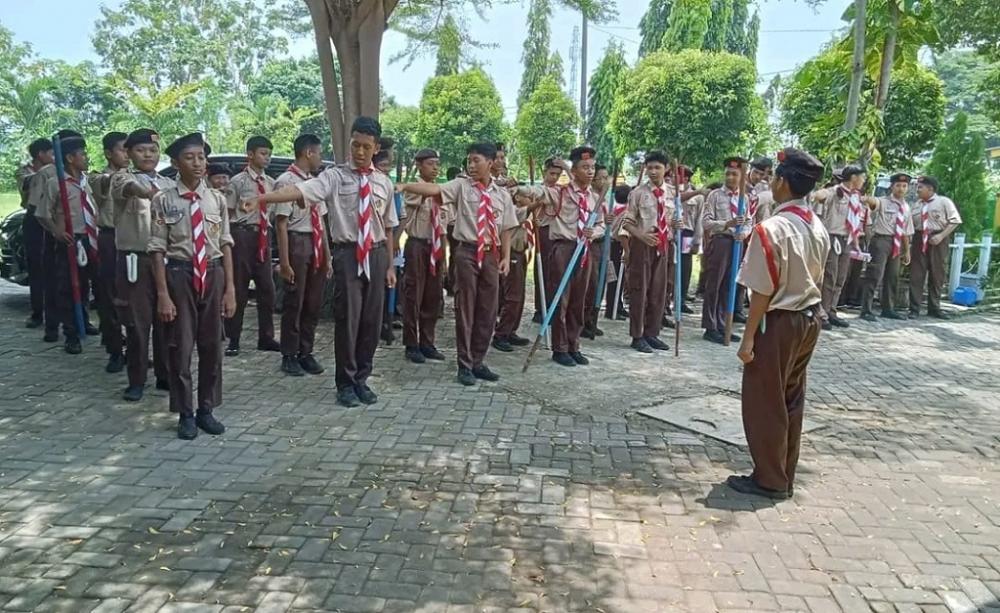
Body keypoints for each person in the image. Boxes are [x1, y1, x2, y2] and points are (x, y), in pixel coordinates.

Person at [253, 117, 398, 407]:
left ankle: (362, 379)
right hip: (348, 254)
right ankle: (345, 383)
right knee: (349, 320)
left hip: (377, 253)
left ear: (375, 148)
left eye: (365, 147)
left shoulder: (383, 182)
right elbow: (300, 191)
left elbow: (389, 225)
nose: (359, 151)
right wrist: (263, 198)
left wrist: (391, 264)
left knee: (371, 322)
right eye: (355, 145)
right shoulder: (334, 177)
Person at [728, 147, 830, 500]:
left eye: (775, 177)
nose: (771, 182)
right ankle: (784, 472)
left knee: (764, 401)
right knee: (791, 398)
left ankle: (769, 479)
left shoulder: (771, 229)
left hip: (779, 322)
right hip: (809, 318)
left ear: (783, 182)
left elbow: (762, 290)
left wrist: (748, 338)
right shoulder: (816, 226)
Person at [399, 142, 518, 385]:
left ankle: (478, 361)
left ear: (490, 163)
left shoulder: (502, 195)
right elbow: (434, 190)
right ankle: (464, 364)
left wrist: (505, 257)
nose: (471, 165)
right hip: (467, 252)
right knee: (466, 308)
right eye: (469, 161)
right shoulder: (461, 186)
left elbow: (506, 227)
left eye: (476, 160)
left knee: (488, 310)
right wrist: (404, 185)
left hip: (491, 255)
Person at [150, 133, 235, 440]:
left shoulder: (216, 199)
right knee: (180, 346)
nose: (198, 163)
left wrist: (230, 289)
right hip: (180, 274)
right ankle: (185, 412)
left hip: (212, 273)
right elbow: (156, 249)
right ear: (175, 163)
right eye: (190, 157)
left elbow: (225, 244)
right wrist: (163, 294)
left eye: (201, 157)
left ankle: (206, 409)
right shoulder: (164, 200)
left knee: (212, 346)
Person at [520, 148, 605, 367]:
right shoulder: (560, 192)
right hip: (564, 249)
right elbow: (538, 191)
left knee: (579, 299)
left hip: (584, 249)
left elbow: (601, 225)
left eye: (592, 167)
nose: (590, 171)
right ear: (573, 171)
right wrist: (517, 187)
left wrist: (594, 232)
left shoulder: (595, 198)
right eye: (584, 167)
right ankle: (560, 348)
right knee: (561, 299)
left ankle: (574, 345)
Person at [274, 134, 333, 376]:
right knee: (294, 302)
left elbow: (322, 222)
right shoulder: (286, 181)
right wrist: (285, 262)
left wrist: (327, 257)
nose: (321, 158)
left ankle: (305, 352)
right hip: (297, 242)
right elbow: (281, 224)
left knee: (313, 302)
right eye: (319, 153)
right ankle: (289, 354)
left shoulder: (315, 183)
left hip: (316, 243)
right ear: (308, 152)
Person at [35, 135, 98, 354]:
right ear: (70, 158)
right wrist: (57, 232)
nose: (86, 158)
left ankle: (84, 321)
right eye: (82, 154)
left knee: (87, 285)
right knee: (69, 288)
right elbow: (42, 214)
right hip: (71, 241)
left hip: (90, 239)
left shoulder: (87, 181)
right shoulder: (56, 184)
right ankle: (71, 333)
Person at [224, 136, 279, 356]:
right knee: (239, 288)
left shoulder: (271, 183)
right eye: (263, 153)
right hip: (243, 235)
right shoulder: (238, 182)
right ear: (250, 154)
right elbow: (228, 213)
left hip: (264, 236)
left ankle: (266, 337)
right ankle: (233, 338)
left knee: (267, 289)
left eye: (269, 154)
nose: (267, 158)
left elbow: (273, 213)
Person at [622, 151, 681, 353]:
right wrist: (642, 236)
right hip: (643, 245)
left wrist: (676, 224)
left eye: (657, 167)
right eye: (650, 168)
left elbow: (673, 220)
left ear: (667, 169)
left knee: (659, 291)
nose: (653, 172)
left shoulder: (673, 193)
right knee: (640, 290)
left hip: (664, 245)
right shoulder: (638, 193)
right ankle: (637, 335)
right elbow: (627, 223)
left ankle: (652, 333)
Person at [810, 166, 878, 331]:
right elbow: (820, 196)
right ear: (853, 177)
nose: (863, 181)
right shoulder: (835, 192)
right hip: (832, 237)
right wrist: (818, 194)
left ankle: (832, 311)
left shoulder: (856, 197)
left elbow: (867, 210)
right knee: (830, 276)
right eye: (862, 177)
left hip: (847, 239)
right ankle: (822, 313)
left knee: (841, 278)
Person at [400, 148, 448, 364]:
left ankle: (427, 342)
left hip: (435, 246)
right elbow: (422, 195)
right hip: (417, 245)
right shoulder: (414, 188)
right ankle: (411, 344)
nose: (435, 168)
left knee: (433, 295)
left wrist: (444, 257)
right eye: (430, 163)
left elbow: (443, 228)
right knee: (414, 294)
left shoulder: (441, 193)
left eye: (437, 164)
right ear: (419, 165)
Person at [90, 131, 130, 373]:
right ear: (108, 153)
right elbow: (109, 184)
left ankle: (135, 352)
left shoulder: (137, 176)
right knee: (109, 296)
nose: (127, 155)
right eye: (123, 149)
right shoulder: (98, 177)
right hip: (110, 238)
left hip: (134, 240)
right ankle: (115, 351)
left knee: (134, 298)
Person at [700, 157, 751, 344]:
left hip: (736, 243)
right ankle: (710, 326)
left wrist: (744, 233)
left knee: (729, 285)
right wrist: (727, 224)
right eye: (728, 174)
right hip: (720, 241)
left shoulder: (744, 197)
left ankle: (723, 324)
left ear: (741, 176)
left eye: (734, 174)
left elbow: (748, 221)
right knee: (714, 284)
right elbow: (706, 222)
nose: (730, 177)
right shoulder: (715, 196)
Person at [859, 172, 913, 321]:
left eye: (904, 186)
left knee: (892, 276)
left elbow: (906, 231)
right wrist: (867, 199)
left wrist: (907, 251)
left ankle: (888, 308)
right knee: (874, 275)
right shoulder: (883, 201)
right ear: (892, 186)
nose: (901, 189)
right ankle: (866, 309)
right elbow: (873, 203)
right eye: (898, 185)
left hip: (897, 243)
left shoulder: (906, 207)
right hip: (881, 241)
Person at [908, 175, 962, 320]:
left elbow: (955, 221)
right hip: (919, 239)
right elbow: (910, 223)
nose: (917, 190)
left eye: (920, 187)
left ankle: (934, 308)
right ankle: (914, 309)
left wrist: (941, 236)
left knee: (937, 274)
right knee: (916, 274)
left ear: (930, 189)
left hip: (938, 239)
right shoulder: (917, 204)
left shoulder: (944, 202)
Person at [17, 138, 54, 329]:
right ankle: (37, 312)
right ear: (41, 154)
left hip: (53, 218)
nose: (54, 158)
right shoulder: (25, 172)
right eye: (51, 153)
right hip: (34, 219)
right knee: (36, 267)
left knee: (55, 266)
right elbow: (28, 183)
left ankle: (57, 312)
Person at [531, 158, 564, 324]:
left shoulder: (561, 191)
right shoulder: (538, 189)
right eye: (552, 173)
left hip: (557, 233)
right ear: (544, 172)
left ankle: (553, 307)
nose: (554, 178)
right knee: (542, 270)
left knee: (555, 272)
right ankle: (540, 308)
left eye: (558, 174)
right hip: (543, 232)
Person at [582, 163, 611, 339]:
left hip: (604, 245)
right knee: (591, 283)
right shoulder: (590, 198)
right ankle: (584, 320)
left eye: (606, 177)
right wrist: (603, 226)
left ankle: (593, 320)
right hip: (592, 243)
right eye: (601, 178)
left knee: (602, 281)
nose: (605, 181)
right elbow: (594, 224)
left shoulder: (606, 199)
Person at [604, 185, 631, 321]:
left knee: (618, 279)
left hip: (612, 244)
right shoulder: (625, 212)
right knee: (615, 280)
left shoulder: (615, 210)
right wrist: (627, 250)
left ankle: (618, 305)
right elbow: (622, 234)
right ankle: (612, 308)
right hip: (618, 246)